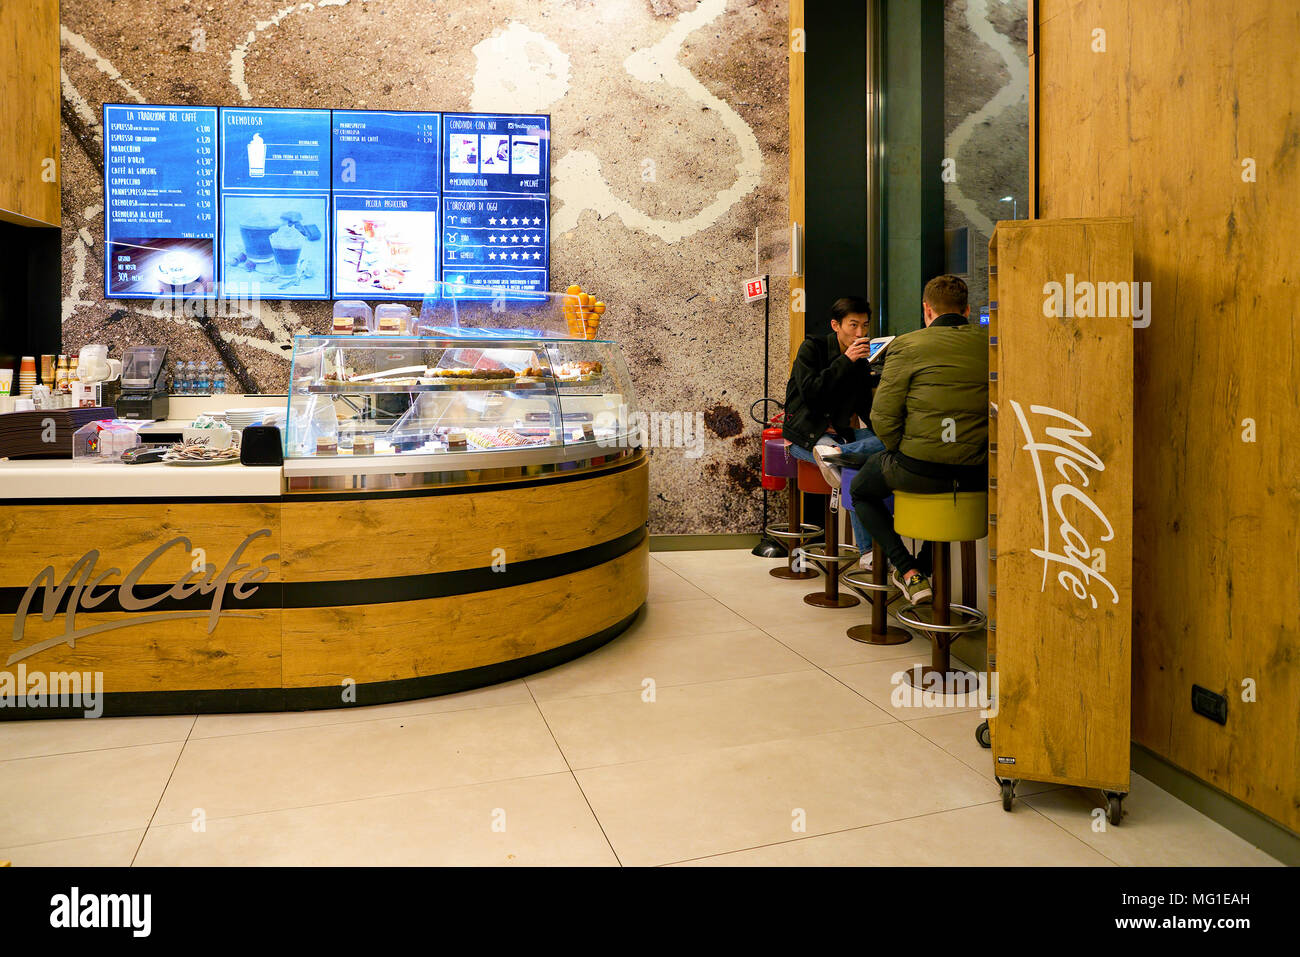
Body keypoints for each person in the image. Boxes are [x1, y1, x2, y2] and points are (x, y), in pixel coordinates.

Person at [849, 275, 988, 603]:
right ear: (966, 309)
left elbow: (882, 416)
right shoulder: (991, 343)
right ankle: (923, 567)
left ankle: (909, 571)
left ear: (927, 310)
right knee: (943, 507)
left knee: (860, 491)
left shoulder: (908, 345)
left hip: (918, 467)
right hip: (978, 473)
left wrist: (901, 448)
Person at [782, 296, 884, 566]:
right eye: (853, 325)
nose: (860, 333)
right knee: (854, 467)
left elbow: (865, 407)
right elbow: (812, 393)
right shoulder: (812, 348)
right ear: (836, 325)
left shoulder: (860, 362)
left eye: (865, 325)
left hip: (840, 439)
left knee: (891, 442)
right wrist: (846, 361)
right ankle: (867, 552)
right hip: (806, 436)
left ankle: (838, 453)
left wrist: (881, 432)